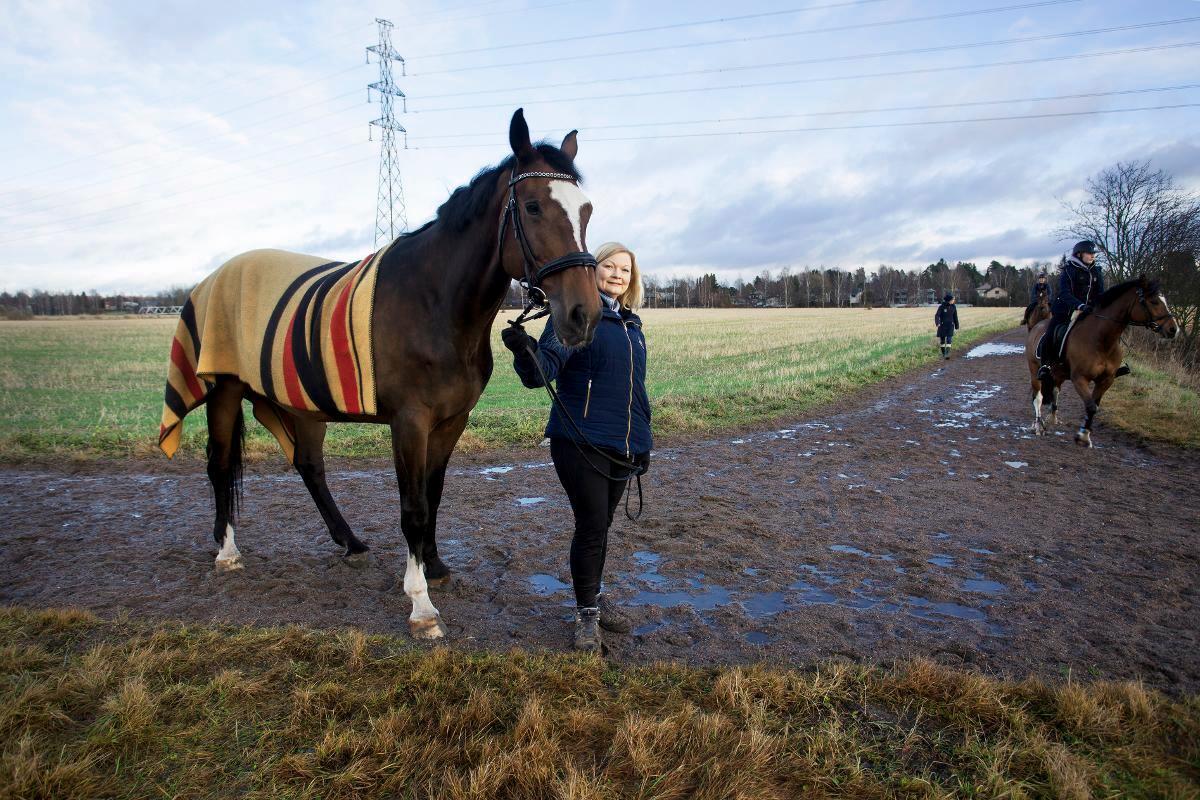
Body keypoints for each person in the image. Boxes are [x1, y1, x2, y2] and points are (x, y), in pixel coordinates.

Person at [501, 241, 652, 654]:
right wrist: (526, 352)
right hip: (579, 441)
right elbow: (543, 371)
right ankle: (587, 615)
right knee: (590, 528)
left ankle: (594, 596)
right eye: (609, 266)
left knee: (600, 528)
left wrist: (642, 442)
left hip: (621, 447)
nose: (617, 274)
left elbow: (633, 393)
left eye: (625, 269)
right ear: (592, 270)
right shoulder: (577, 315)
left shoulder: (631, 326)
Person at [1038, 240, 1105, 379]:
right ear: (1079, 254)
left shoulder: (1096, 271)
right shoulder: (1068, 270)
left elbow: (1100, 293)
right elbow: (1065, 293)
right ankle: (1046, 365)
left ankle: (1113, 363)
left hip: (1090, 310)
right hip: (1066, 309)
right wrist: (1080, 305)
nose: (1092, 256)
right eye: (1089, 253)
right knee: (1052, 331)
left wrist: (1099, 306)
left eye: (1094, 254)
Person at [934, 293, 959, 360]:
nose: (954, 300)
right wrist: (937, 323)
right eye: (953, 299)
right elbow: (937, 315)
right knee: (942, 340)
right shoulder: (941, 307)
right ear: (949, 300)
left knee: (949, 339)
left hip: (950, 325)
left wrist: (957, 325)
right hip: (942, 325)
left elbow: (955, 317)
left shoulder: (953, 307)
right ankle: (943, 353)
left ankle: (947, 354)